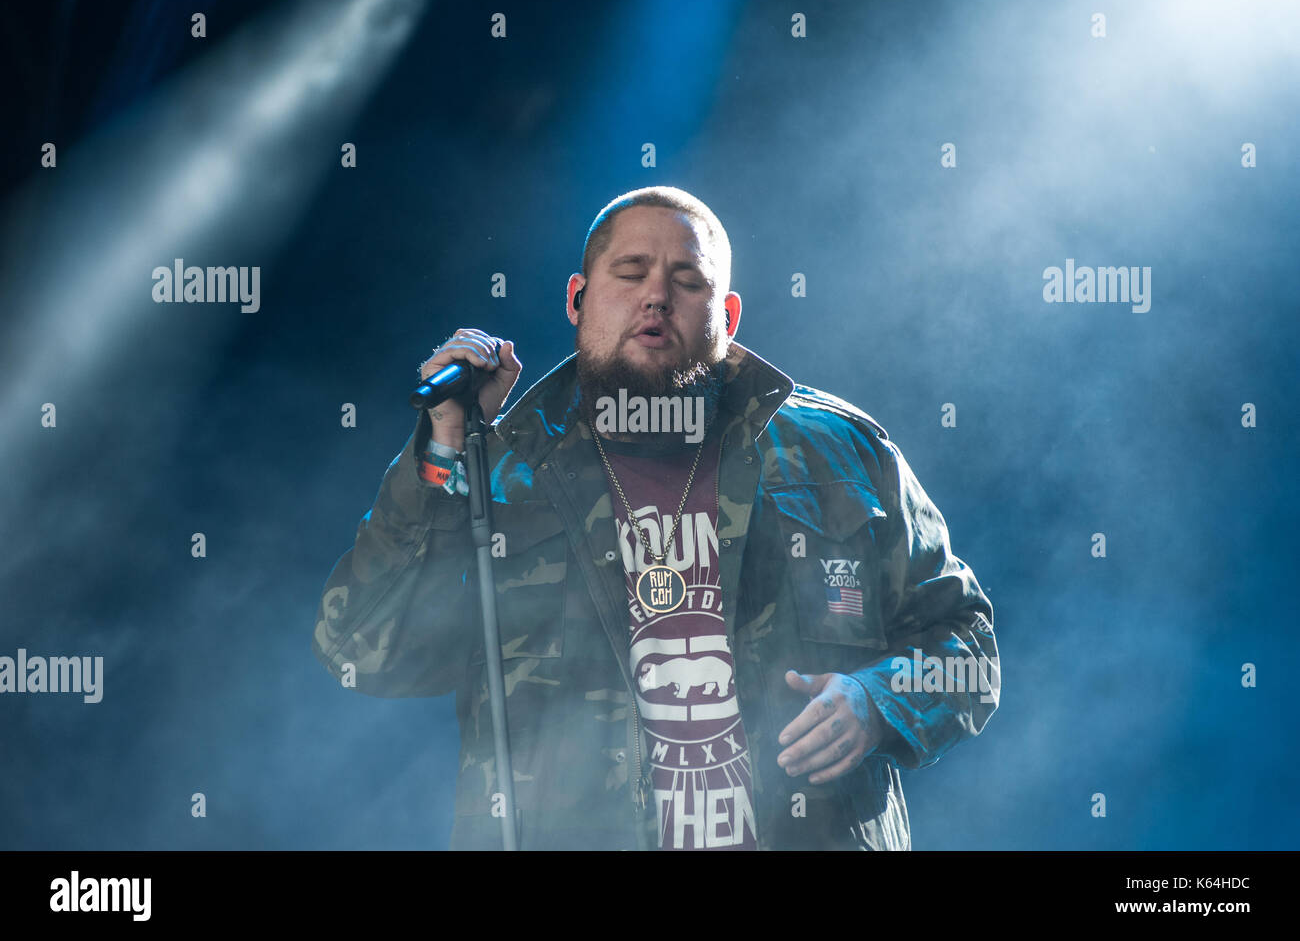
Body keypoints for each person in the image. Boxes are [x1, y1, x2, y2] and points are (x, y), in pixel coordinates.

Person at [312, 185, 999, 850]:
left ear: (728, 317)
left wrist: (878, 700)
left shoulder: (837, 453)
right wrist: (442, 449)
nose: (656, 296)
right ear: (578, 301)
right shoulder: (496, 471)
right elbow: (363, 648)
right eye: (630, 272)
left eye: (687, 279)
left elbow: (967, 645)